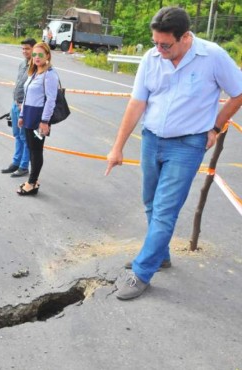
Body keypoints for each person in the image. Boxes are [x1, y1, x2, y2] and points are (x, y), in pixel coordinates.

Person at [105, 6, 242, 300]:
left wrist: (216, 126)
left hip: (188, 145)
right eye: (155, 43)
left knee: (165, 209)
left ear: (185, 37)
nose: (159, 49)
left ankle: (142, 272)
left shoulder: (212, 56)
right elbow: (136, 103)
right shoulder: (151, 58)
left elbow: (239, 92)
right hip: (152, 139)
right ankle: (160, 255)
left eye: (165, 45)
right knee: (151, 201)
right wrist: (117, 147)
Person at [16, 42, 58, 196]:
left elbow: (51, 100)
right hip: (28, 115)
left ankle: (32, 182)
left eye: (41, 54)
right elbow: (27, 96)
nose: (37, 57)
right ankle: (34, 180)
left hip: (39, 118)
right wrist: (22, 115)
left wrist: (45, 121)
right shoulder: (34, 72)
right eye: (35, 54)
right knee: (31, 148)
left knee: (36, 151)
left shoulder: (50, 74)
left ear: (47, 55)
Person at [1, 37, 37, 178]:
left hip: (26, 107)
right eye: (23, 48)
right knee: (16, 135)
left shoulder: (36, 66)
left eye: (27, 48)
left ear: (35, 49)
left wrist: (25, 105)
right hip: (15, 104)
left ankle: (23, 166)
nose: (24, 51)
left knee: (24, 137)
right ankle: (15, 163)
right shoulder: (22, 64)